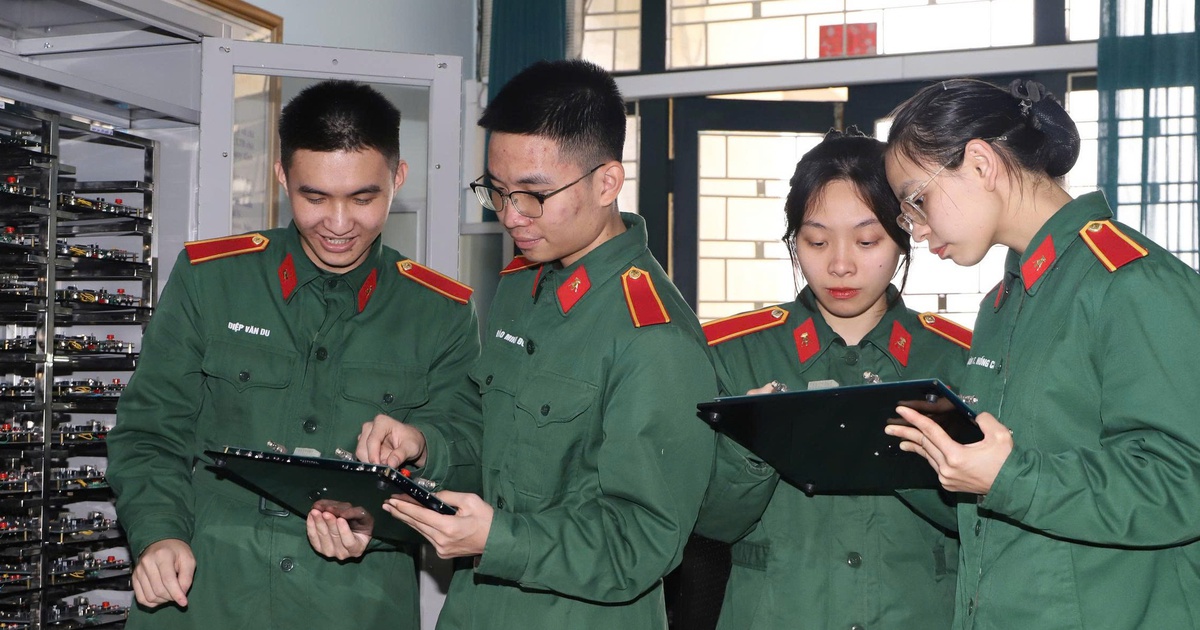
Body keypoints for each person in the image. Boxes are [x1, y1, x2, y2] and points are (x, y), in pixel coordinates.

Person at [350, 58, 720, 629]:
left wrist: (500, 539)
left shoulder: (653, 334)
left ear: (607, 182)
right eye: (497, 191)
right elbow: (496, 443)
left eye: (534, 194)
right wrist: (425, 446)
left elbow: (643, 541)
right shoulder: (523, 285)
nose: (511, 216)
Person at [107, 80, 482, 630]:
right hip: (207, 596)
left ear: (397, 179)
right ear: (282, 178)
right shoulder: (211, 280)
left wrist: (417, 457)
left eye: (363, 198)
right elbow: (148, 432)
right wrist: (159, 533)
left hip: (353, 606)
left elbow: (470, 466)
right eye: (315, 197)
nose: (338, 223)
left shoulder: (440, 311)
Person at [882, 78, 1200, 629]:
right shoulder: (1002, 305)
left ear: (980, 163)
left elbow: (1184, 481)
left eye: (918, 199)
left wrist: (1010, 477)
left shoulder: (1131, 283)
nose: (917, 229)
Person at [694, 129, 970, 629]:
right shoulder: (731, 355)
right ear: (794, 241)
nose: (840, 265)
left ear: (903, 237)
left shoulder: (958, 359)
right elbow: (710, 522)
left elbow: (985, 523)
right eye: (817, 241)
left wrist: (905, 456)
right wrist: (757, 443)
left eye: (867, 241)